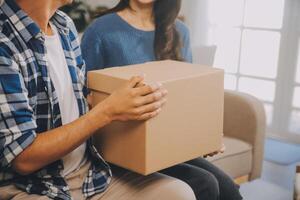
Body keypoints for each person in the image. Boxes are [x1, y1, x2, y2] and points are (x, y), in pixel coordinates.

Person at [0, 0, 197, 200]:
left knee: (180, 193)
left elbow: (85, 100)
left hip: (88, 175)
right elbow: (23, 160)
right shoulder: (4, 42)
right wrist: (107, 110)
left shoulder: (64, 25)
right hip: (30, 186)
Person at [81, 0, 243, 200]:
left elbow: (187, 100)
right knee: (205, 184)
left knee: (229, 190)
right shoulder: (100, 31)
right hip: (122, 152)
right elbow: (83, 103)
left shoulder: (178, 31)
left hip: (169, 149)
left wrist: (203, 138)